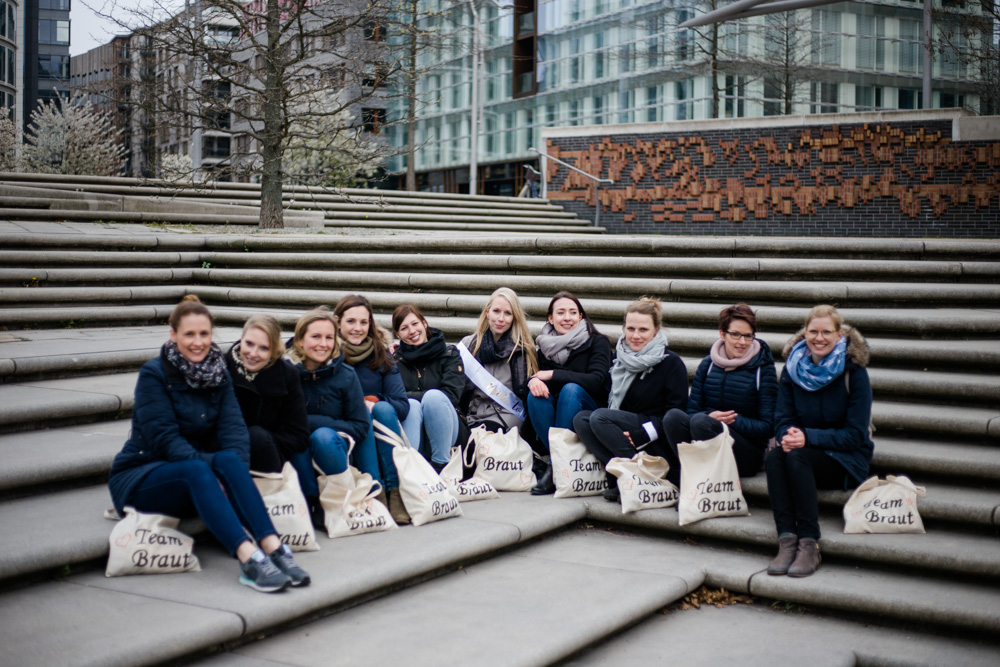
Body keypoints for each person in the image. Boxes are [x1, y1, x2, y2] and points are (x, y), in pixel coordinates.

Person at [108, 296, 309, 593]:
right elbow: (165, 440)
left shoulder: (219, 373)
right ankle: (248, 558)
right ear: (173, 335)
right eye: (189, 334)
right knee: (199, 470)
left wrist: (233, 478)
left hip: (193, 471)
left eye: (204, 334)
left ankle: (274, 547)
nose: (198, 342)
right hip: (143, 474)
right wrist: (215, 481)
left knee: (229, 460)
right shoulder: (154, 374)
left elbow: (234, 431)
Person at [765, 304, 873, 578]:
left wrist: (807, 437)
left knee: (797, 455)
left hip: (845, 459)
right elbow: (782, 418)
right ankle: (787, 540)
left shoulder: (854, 373)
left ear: (839, 335)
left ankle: (810, 543)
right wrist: (787, 436)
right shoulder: (792, 369)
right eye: (813, 331)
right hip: (801, 453)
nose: (819, 338)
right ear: (805, 334)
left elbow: (856, 435)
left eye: (827, 332)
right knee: (776, 455)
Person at [573, 297, 688, 503]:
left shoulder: (671, 363)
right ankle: (624, 473)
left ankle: (641, 475)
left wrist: (642, 433)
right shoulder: (620, 358)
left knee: (599, 417)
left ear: (656, 330)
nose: (635, 336)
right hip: (624, 432)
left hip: (654, 437)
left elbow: (676, 414)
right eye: (630, 328)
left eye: (643, 330)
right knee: (581, 419)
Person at [661, 303, 777, 486]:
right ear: (722, 334)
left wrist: (731, 421)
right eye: (736, 334)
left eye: (748, 336)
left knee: (702, 423)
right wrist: (710, 416)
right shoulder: (708, 365)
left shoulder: (763, 369)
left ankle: (696, 485)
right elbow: (691, 411)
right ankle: (691, 477)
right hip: (707, 434)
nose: (742, 342)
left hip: (747, 452)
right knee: (673, 417)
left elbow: (769, 426)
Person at [286, 306, 371, 528]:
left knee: (321, 436)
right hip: (296, 447)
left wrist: (313, 424)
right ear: (300, 340)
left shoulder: (345, 374)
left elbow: (361, 426)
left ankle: (340, 499)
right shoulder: (286, 373)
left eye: (328, 337)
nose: (323, 344)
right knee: (298, 438)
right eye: (315, 337)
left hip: (334, 447)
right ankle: (311, 500)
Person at [334, 295, 411, 525]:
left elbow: (402, 405)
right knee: (364, 412)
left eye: (363, 322)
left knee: (384, 409)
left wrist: (373, 400)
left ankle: (394, 492)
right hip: (347, 431)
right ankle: (375, 491)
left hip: (381, 429)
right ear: (338, 323)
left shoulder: (381, 354)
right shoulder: (328, 354)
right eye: (351, 322)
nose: (358, 328)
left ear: (370, 324)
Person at [527, 291, 612, 495]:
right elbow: (535, 378)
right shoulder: (543, 348)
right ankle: (559, 463)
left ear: (580, 316)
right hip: (557, 413)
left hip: (587, 409)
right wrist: (532, 382)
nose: (567, 318)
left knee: (570, 389)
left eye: (573, 312)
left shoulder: (597, 342)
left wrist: (553, 374)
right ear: (550, 318)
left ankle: (553, 468)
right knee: (535, 395)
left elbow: (598, 381)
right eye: (561, 312)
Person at [225, 314, 310, 473]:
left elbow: (299, 437)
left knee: (256, 436)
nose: (253, 353)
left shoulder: (286, 375)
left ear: (273, 351)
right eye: (249, 344)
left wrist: (264, 439)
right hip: (225, 451)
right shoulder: (222, 368)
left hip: (266, 456)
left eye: (263, 348)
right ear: (241, 340)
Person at [392, 304, 466, 473]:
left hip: (448, 431)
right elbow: (396, 398)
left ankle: (441, 467)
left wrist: (417, 396)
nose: (412, 331)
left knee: (434, 398)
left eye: (415, 324)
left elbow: (451, 395)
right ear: (398, 334)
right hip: (414, 431)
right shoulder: (394, 361)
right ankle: (410, 471)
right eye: (404, 328)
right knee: (411, 405)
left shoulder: (449, 354)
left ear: (424, 323)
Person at [459, 287, 538, 433]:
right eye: (496, 311)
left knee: (481, 442)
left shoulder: (523, 350)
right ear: (487, 312)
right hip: (471, 413)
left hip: (506, 414)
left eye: (508, 313)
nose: (501, 319)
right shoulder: (468, 345)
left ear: (514, 317)